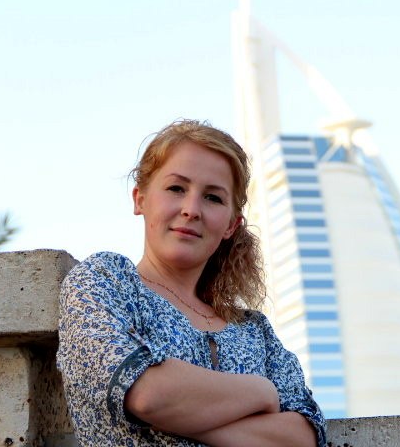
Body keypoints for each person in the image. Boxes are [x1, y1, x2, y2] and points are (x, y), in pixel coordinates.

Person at [56, 119, 326, 446]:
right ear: (140, 198)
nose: (191, 209)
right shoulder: (105, 282)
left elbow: (302, 437)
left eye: (212, 197)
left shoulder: (255, 332)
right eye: (176, 189)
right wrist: (262, 391)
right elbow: (148, 396)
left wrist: (175, 419)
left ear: (231, 225)